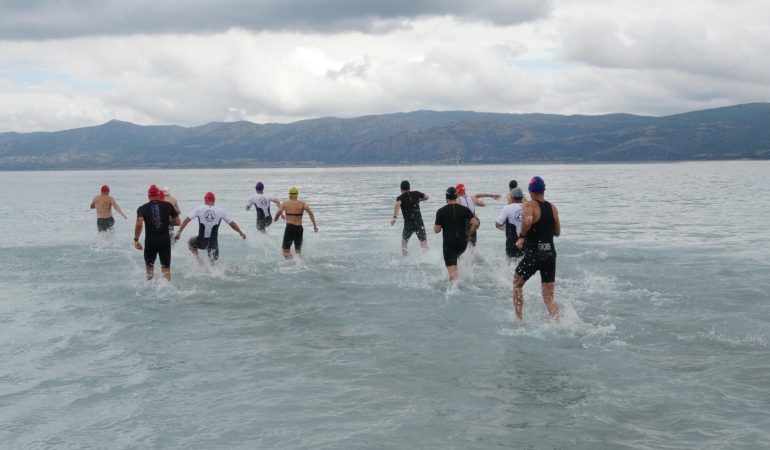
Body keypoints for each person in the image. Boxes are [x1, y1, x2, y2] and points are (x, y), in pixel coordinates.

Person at [513, 177, 561, 321]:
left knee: (517, 284)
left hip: (535, 254)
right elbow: (557, 232)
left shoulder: (529, 205)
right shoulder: (552, 207)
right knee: (549, 298)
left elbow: (527, 220)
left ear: (530, 191)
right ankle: (559, 322)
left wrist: (521, 236)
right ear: (543, 190)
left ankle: (518, 319)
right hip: (550, 254)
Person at [174, 192, 246, 264]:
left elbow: (186, 220)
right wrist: (241, 233)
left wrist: (178, 233)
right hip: (213, 243)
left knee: (190, 243)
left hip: (201, 241)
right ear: (214, 200)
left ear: (205, 199)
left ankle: (199, 258)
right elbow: (232, 224)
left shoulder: (199, 209)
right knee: (214, 266)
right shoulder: (221, 211)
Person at [134, 185, 180, 281]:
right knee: (166, 267)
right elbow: (177, 222)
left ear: (148, 195)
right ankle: (167, 287)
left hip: (150, 240)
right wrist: (166, 222)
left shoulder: (142, 208)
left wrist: (136, 240)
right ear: (159, 195)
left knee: (149, 267)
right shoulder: (168, 205)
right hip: (165, 240)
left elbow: (139, 224)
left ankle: (150, 287)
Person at [434, 187, 479, 281]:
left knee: (452, 275)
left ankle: (454, 288)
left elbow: (436, 230)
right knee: (456, 260)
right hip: (462, 243)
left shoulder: (441, 211)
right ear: (457, 197)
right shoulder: (465, 210)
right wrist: (469, 234)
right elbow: (475, 223)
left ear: (446, 198)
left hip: (449, 244)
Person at [273, 187, 318, 260]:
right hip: (299, 228)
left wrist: (276, 218)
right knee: (298, 251)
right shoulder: (303, 204)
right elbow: (310, 213)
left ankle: (293, 262)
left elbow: (279, 212)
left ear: (289, 195)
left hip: (290, 228)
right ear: (297, 195)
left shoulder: (285, 203)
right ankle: (299, 263)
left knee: (285, 252)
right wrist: (315, 226)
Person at [391, 180, 430, 255]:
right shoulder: (416, 193)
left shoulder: (401, 197)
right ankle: (428, 257)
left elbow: (397, 204)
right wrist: (420, 200)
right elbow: (427, 197)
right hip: (419, 223)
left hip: (408, 224)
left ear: (401, 189)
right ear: (409, 188)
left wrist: (394, 217)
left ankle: (404, 257)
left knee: (404, 243)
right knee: (424, 243)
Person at [495, 186, 526, 261]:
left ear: (512, 197)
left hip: (512, 241)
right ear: (522, 197)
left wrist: (506, 228)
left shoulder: (507, 208)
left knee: (511, 263)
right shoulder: (528, 207)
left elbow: (498, 224)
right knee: (525, 263)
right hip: (525, 241)